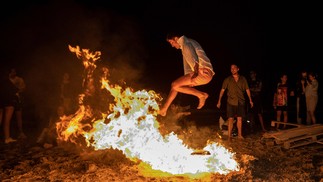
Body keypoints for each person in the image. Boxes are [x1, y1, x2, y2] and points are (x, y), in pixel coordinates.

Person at [158, 33, 215, 116]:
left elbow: (193, 58)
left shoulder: (185, 42)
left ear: (176, 38)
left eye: (171, 42)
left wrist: (196, 72)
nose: (172, 46)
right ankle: (164, 109)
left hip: (203, 73)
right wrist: (189, 78)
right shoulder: (187, 43)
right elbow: (188, 63)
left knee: (174, 85)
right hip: (204, 73)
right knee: (176, 87)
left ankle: (201, 95)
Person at [216, 64, 253, 140]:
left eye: (234, 68)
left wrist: (250, 100)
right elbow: (222, 90)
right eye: (231, 68)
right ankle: (229, 136)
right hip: (231, 102)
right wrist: (219, 101)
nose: (232, 70)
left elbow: (247, 90)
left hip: (240, 101)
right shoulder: (227, 79)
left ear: (238, 69)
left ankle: (239, 135)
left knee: (239, 119)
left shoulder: (243, 79)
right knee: (230, 119)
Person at [0, 70, 19, 144]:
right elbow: (15, 91)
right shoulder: (8, 82)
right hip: (9, 102)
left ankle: (5, 137)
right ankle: (7, 138)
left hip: (1, 101)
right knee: (7, 121)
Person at [9, 68, 27, 139]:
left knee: (18, 115)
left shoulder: (19, 79)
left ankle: (20, 132)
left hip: (17, 99)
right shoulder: (7, 80)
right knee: (9, 117)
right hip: (8, 100)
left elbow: (23, 88)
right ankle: (9, 133)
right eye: (12, 72)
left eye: (14, 71)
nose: (14, 73)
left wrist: (17, 92)